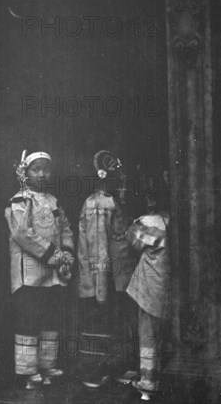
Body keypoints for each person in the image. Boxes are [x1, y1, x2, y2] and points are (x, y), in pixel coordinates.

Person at [4, 150, 75, 390]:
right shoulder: (20, 201)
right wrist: (54, 256)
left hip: (52, 274)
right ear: (26, 173)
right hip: (30, 274)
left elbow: (64, 227)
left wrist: (67, 253)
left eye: (46, 169)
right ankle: (28, 370)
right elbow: (23, 234)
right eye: (37, 169)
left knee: (50, 317)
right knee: (29, 318)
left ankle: (47, 364)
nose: (42, 174)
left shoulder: (54, 201)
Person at [76, 150, 136, 388]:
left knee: (116, 322)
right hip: (101, 279)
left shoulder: (113, 201)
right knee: (100, 323)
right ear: (103, 178)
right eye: (117, 177)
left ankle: (116, 368)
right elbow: (98, 248)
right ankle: (95, 372)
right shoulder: (97, 204)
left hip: (116, 279)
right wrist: (101, 288)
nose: (122, 181)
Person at [125, 189, 170, 400]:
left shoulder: (150, 221)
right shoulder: (171, 219)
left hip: (150, 286)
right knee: (162, 333)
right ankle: (159, 378)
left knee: (148, 333)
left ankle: (147, 384)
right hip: (166, 284)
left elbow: (132, 241)